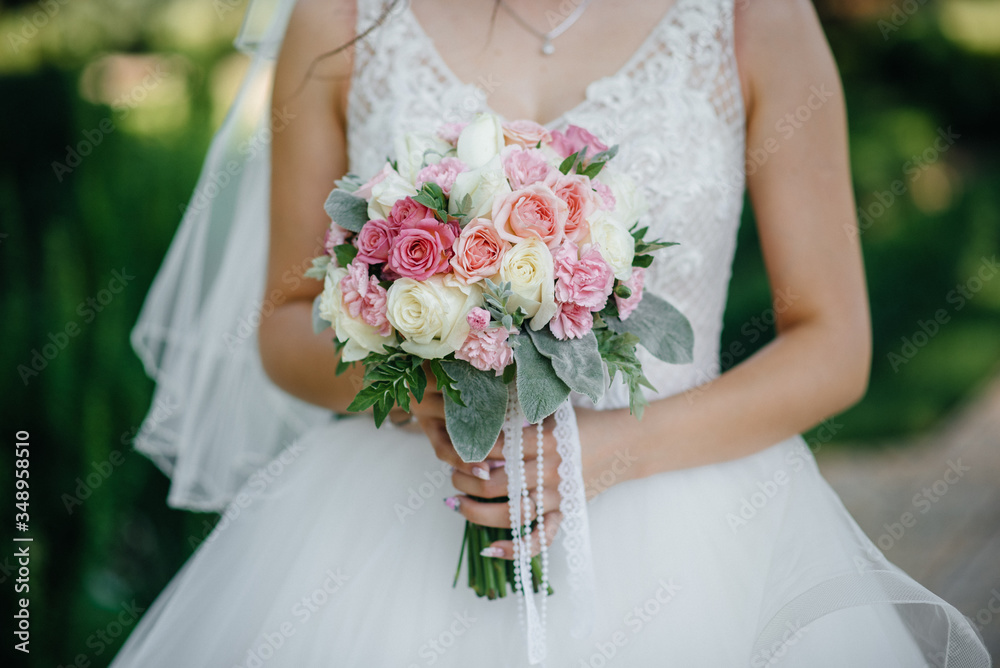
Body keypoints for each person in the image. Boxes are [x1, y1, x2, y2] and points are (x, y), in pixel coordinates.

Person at [115, 0, 992, 665]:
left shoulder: (755, 18)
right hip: (399, 512)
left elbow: (833, 344)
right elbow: (281, 324)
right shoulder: (341, 18)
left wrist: (603, 452)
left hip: (691, 513)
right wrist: (430, 380)